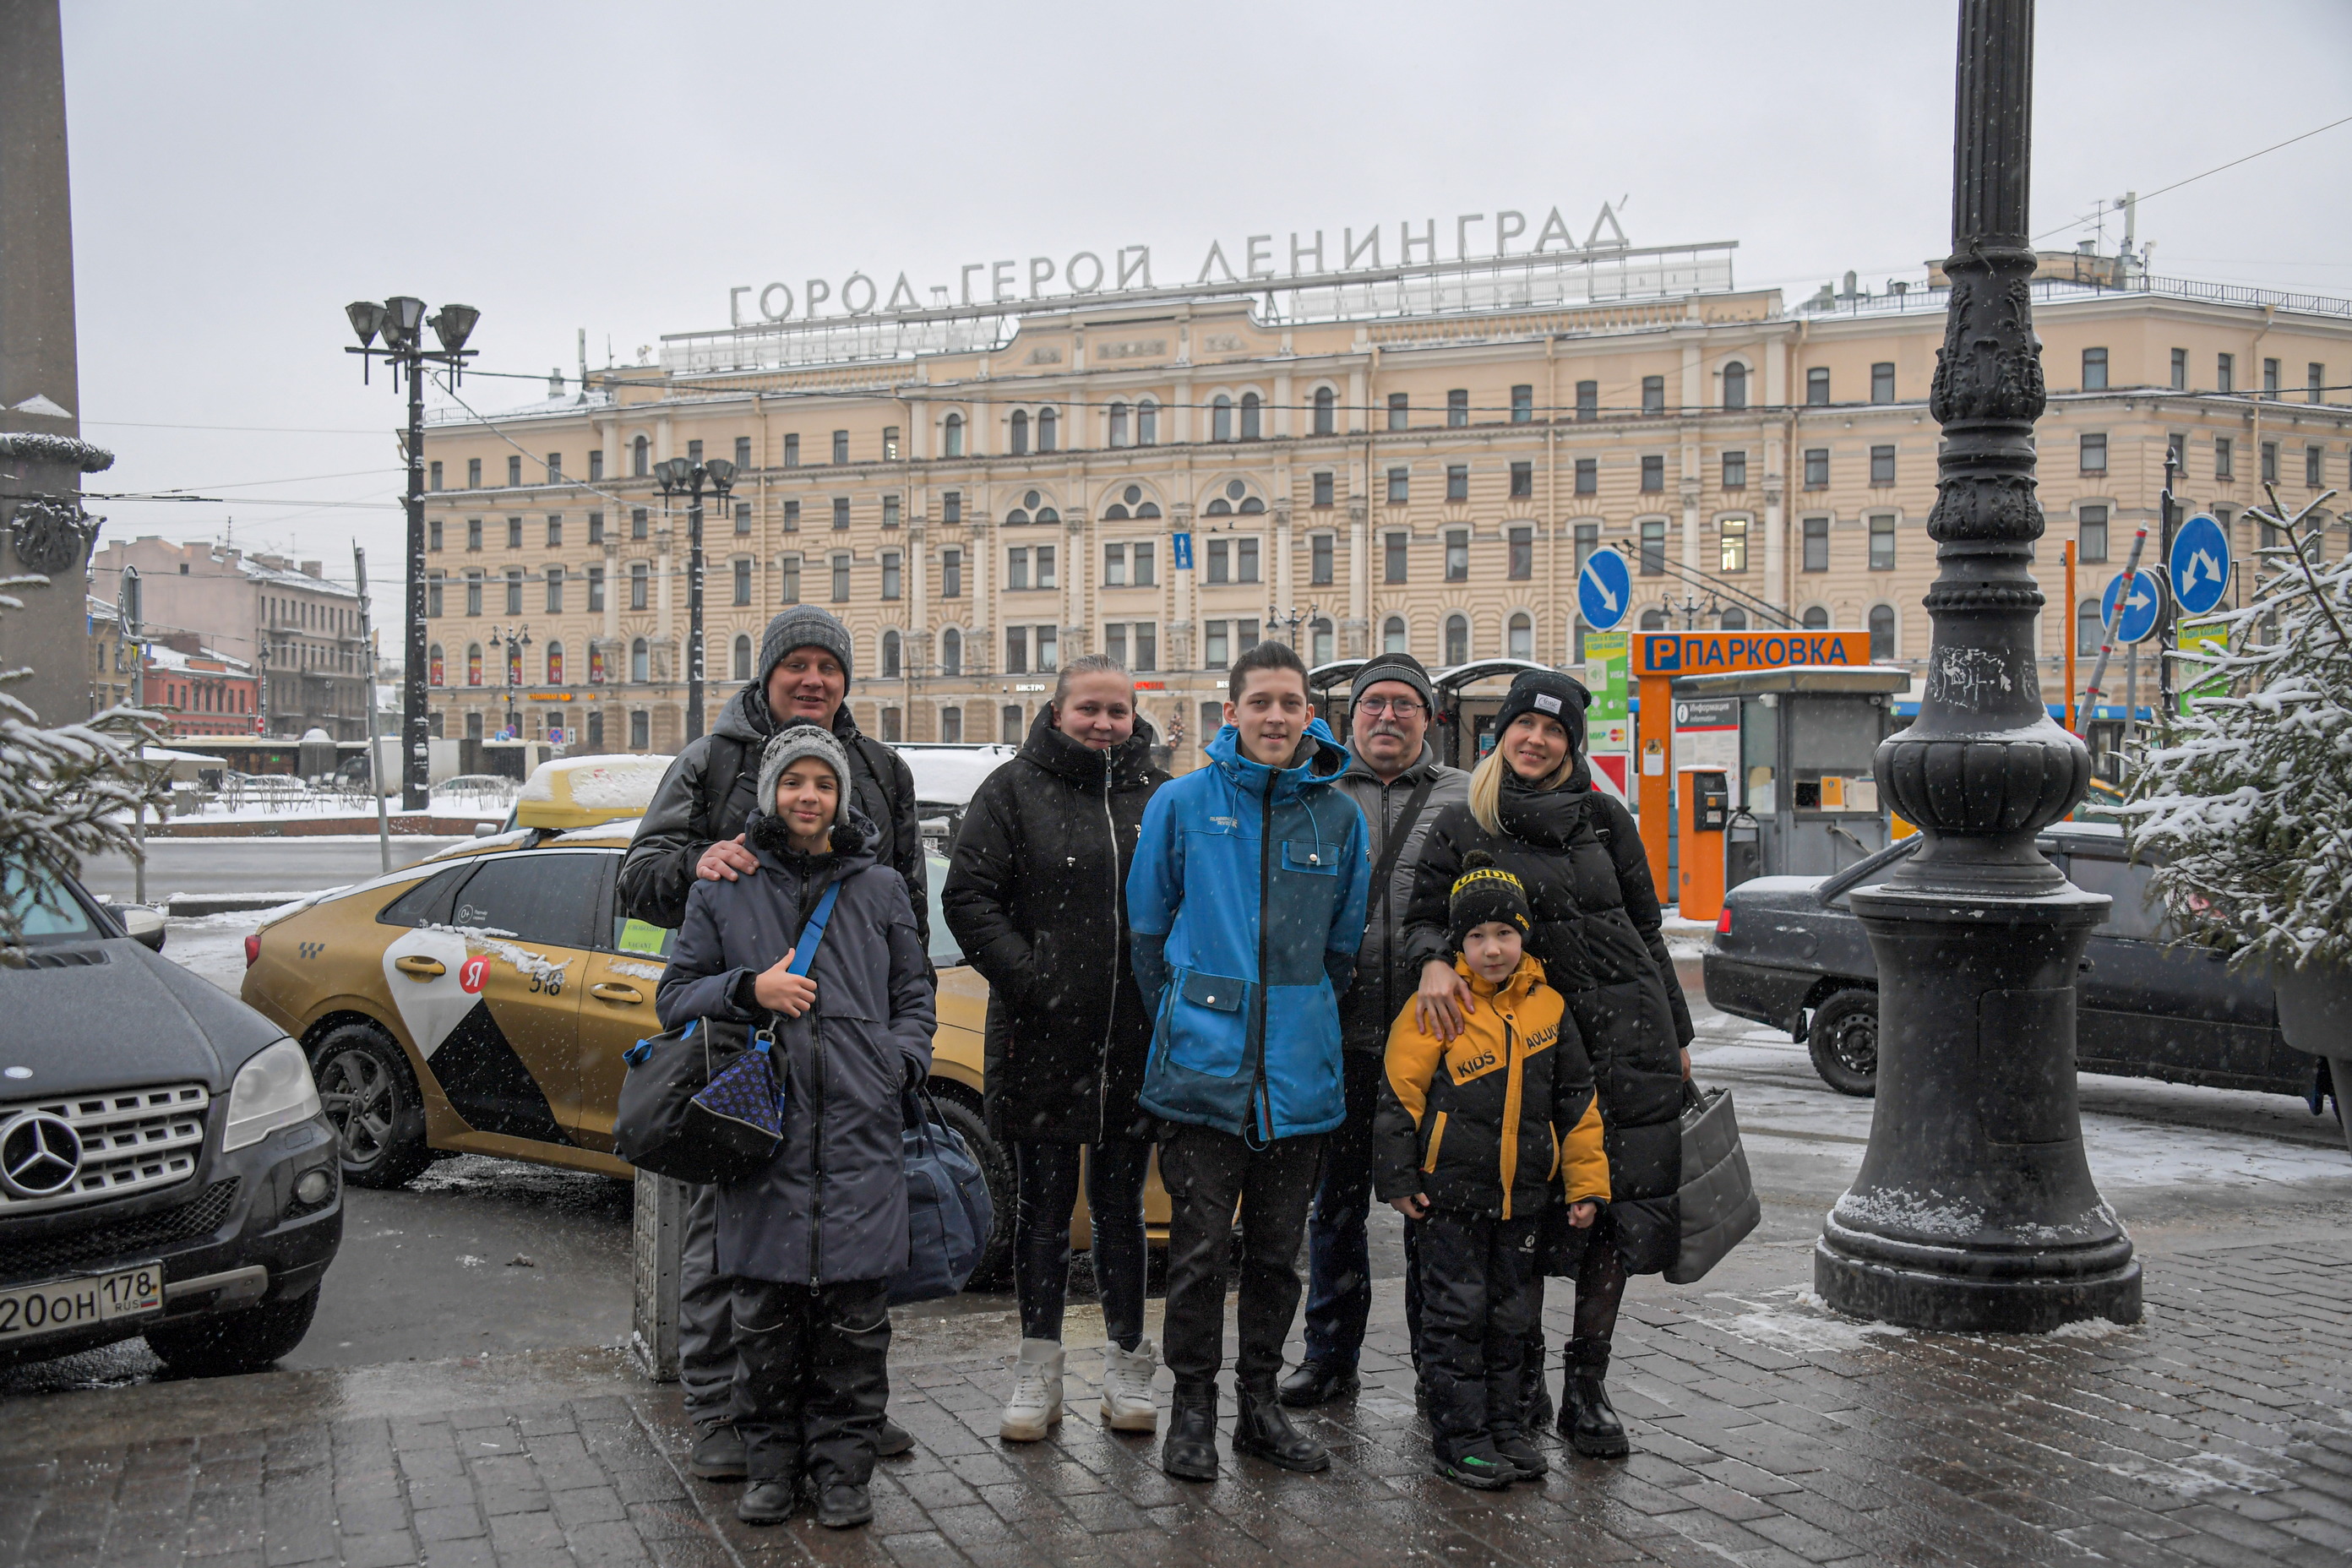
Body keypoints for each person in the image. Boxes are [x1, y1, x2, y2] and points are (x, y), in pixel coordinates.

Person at [618, 603, 926, 1480]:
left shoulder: (879, 768)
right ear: (768, 674)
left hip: (845, 1057)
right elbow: (639, 881)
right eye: (798, 664)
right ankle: (725, 1409)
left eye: (830, 666)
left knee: (847, 1242)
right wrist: (700, 861)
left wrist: (899, 1047)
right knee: (727, 1240)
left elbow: (902, 901)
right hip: (737, 1052)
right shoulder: (712, 760)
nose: (814, 679)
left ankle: (840, 1410)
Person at [1404, 668, 1692, 1459]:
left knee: (1614, 1213)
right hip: (1520, 1049)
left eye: (1555, 729)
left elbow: (1646, 927)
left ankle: (1587, 1386)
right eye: (1525, 725)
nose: (1537, 740)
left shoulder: (1603, 815)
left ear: (1572, 742)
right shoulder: (1465, 820)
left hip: (1628, 1037)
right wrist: (1433, 962)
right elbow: (1424, 920)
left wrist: (1678, 1031)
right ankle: (1515, 1380)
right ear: (1500, 733)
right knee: (1517, 1215)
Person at [1126, 640, 1371, 1483]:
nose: (1275, 715)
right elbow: (1148, 933)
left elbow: (1341, 948)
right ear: (1230, 712)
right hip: (1203, 1072)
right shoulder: (1183, 802)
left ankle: (1260, 1407)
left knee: (1275, 1256)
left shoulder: (1339, 817)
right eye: (1259, 701)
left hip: (1298, 1079)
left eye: (1289, 702)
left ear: (1309, 715)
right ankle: (1193, 1409)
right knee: (1197, 1254)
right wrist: (1191, 1014)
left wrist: (1293, 1017)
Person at [940, 655, 1170, 1442]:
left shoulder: (1159, 795)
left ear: (1133, 717)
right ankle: (1038, 1370)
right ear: (1058, 711)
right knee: (1041, 1213)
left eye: (1117, 711)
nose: (1104, 724)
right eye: (1089, 709)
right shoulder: (1012, 790)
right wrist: (1036, 979)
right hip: (1039, 1037)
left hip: (1133, 1039)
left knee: (1121, 1210)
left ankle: (1127, 1362)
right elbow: (968, 897)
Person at [1376, 853, 1609, 1489]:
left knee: (1512, 1320)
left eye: (1504, 933)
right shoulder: (1436, 1005)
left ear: (1523, 935)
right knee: (1457, 1318)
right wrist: (1399, 1179)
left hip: (1524, 1200)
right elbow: (1399, 1096)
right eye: (1476, 936)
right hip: (1451, 1199)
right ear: (1459, 943)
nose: (1492, 948)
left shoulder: (1549, 1009)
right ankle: (1462, 1437)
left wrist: (1586, 1184)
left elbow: (1577, 1102)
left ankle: (1506, 1427)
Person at [1282, 652, 1468, 1408]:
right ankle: (1329, 1358)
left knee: (1436, 1208)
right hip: (1341, 1039)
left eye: (1404, 704)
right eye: (1373, 703)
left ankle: (1438, 1362)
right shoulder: (1313, 790)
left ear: (1429, 718)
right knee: (1336, 1207)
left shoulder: (1465, 796)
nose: (1387, 716)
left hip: (1441, 1042)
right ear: (1351, 714)